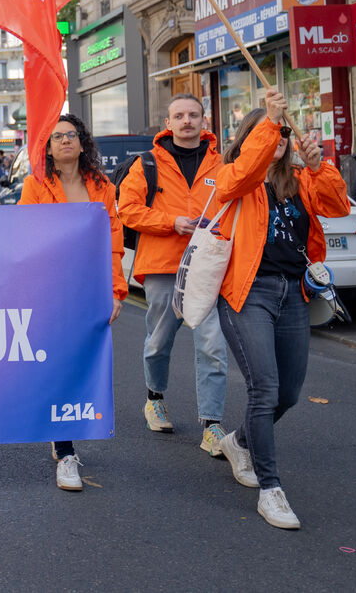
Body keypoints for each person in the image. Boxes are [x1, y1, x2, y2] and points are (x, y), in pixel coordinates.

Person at [210, 89, 348, 530]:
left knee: (287, 394)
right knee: (264, 389)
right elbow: (236, 179)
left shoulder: (299, 180)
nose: (280, 137)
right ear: (251, 137)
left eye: (285, 132)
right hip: (248, 292)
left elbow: (339, 206)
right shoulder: (236, 177)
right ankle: (270, 489)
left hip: (294, 292)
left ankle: (239, 441)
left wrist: (319, 166)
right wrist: (270, 123)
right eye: (271, 131)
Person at [20, 113, 125, 492]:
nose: (65, 140)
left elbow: (113, 241)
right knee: (58, 365)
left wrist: (116, 290)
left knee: (82, 364)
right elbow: (23, 236)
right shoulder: (34, 186)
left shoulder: (103, 187)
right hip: (50, 289)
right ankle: (65, 451)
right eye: (57, 136)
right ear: (47, 149)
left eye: (71, 135)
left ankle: (62, 432)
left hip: (89, 288)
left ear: (82, 144)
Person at [118, 94, 229, 452]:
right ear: (168, 123)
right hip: (163, 265)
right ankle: (154, 398)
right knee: (159, 341)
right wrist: (172, 222)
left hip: (208, 268)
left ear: (204, 120)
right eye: (179, 115)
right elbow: (127, 209)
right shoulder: (147, 163)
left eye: (193, 115)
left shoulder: (222, 163)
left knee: (212, 345)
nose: (186, 121)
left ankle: (212, 424)